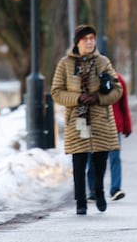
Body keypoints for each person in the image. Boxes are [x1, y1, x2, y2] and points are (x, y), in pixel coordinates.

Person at [51, 25, 122, 215]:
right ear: (77, 42)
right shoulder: (65, 64)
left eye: (92, 38)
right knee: (79, 161)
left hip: (100, 119)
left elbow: (118, 90)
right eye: (85, 39)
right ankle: (80, 200)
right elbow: (56, 92)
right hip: (77, 119)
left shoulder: (103, 61)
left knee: (100, 159)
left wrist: (99, 98)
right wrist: (77, 98)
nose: (89, 42)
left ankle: (98, 191)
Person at [88, 72, 132, 202]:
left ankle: (115, 189)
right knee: (92, 160)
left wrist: (127, 125)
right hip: (95, 125)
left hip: (114, 125)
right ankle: (93, 190)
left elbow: (124, 105)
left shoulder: (117, 80)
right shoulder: (90, 80)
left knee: (115, 157)